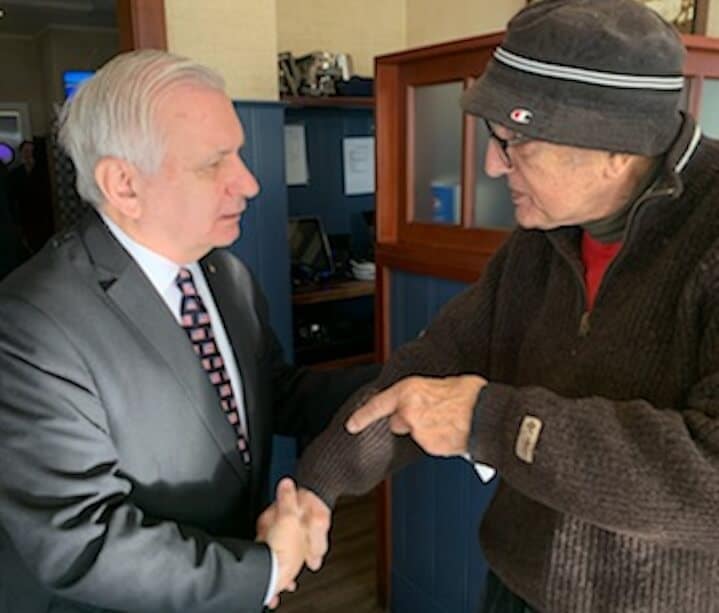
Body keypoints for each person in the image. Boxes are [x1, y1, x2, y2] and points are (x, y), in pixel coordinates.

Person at [265, 1, 719, 611]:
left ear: (617, 147)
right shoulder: (543, 238)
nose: (490, 164)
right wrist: (319, 487)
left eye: (515, 142)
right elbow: (430, 368)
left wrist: (497, 425)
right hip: (513, 585)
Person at [0, 50, 377, 613]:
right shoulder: (32, 323)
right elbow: (82, 538)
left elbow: (273, 392)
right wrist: (265, 570)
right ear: (124, 184)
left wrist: (402, 386)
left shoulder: (227, 275)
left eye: (240, 154)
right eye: (214, 162)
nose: (248, 183)